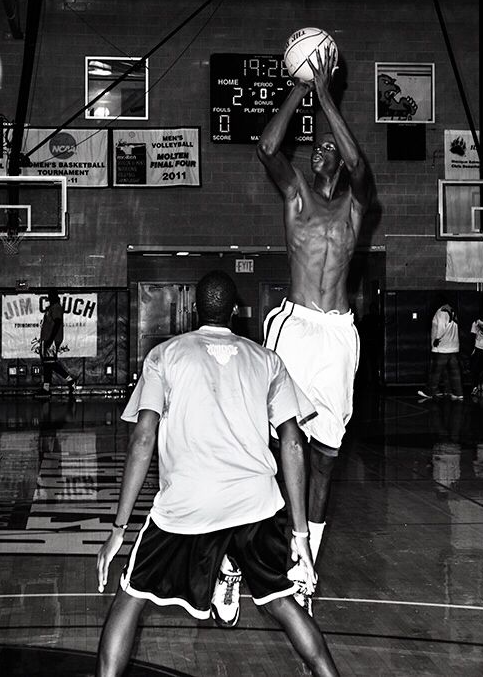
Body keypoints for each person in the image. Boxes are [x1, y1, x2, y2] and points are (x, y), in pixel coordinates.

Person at [95, 271, 341, 677]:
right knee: (282, 601)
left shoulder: (164, 355)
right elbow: (294, 445)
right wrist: (300, 534)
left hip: (187, 506)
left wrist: (118, 529)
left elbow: (143, 440)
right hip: (256, 504)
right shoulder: (267, 360)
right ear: (235, 313)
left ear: (194, 309)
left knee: (130, 597)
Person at [242, 41, 371, 616]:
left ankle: (304, 565)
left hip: (338, 336)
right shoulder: (294, 198)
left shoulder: (356, 207)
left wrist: (326, 96)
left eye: (327, 147)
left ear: (337, 159)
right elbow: (268, 146)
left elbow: (362, 165)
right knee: (271, 444)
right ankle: (239, 553)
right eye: (316, 146)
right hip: (294, 328)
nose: (319, 151)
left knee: (326, 457)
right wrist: (300, 87)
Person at [36, 289, 79, 396]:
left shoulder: (56, 307)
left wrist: (50, 340)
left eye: (50, 296)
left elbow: (58, 322)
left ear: (55, 297)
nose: (49, 298)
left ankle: (70, 380)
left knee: (51, 363)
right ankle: (46, 389)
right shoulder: (51, 307)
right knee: (48, 363)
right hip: (47, 339)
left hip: (52, 340)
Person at [421, 303, 463, 402]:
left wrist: (436, 339)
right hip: (454, 346)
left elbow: (440, 327)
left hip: (442, 347)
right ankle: (458, 393)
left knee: (436, 371)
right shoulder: (453, 311)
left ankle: (431, 391)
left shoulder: (441, 312)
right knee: (455, 372)